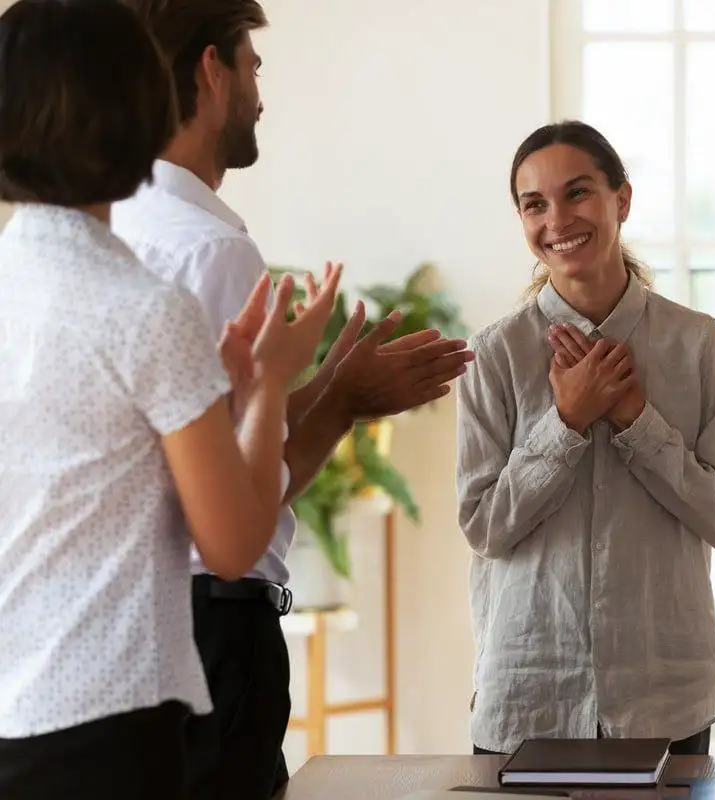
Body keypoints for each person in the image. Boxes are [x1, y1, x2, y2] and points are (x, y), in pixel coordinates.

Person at [112, 2, 474, 797]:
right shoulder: (211, 249)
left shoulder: (127, 224)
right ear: (211, 71)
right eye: (253, 65)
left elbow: (192, 449)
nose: (261, 91)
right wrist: (340, 403)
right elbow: (231, 498)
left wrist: (325, 390)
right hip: (213, 633)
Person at [0, 1, 338, 797]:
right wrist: (263, 386)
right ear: (135, 113)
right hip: (107, 724)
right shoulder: (145, 308)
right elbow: (230, 543)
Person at [456, 120, 715, 756]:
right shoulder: (494, 354)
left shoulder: (700, 345)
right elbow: (483, 527)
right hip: (529, 697)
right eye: (534, 204)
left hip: (666, 696)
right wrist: (563, 424)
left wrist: (638, 421)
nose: (557, 218)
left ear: (622, 200)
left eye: (578, 192)